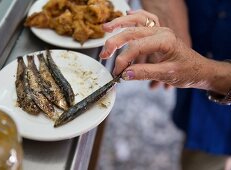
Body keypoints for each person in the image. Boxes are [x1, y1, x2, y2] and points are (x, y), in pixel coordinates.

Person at [99, 8, 231, 170]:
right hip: (197, 23)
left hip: (224, 121)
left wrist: (207, 74)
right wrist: (165, 11)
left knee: (201, 161)